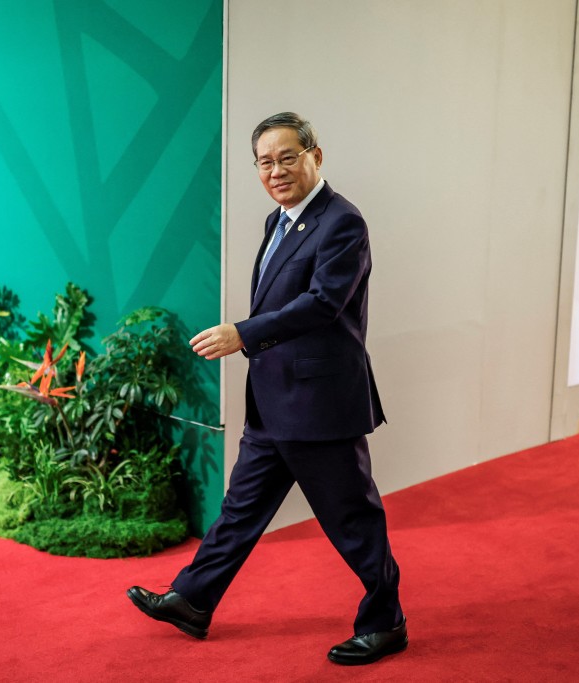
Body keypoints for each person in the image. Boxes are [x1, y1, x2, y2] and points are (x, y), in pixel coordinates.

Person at [127, 112, 406, 666]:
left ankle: (385, 624)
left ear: (315, 157)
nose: (275, 171)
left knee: (352, 517)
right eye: (264, 162)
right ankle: (192, 599)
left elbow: (324, 304)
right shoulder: (277, 221)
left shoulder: (342, 222)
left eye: (287, 158)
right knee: (239, 509)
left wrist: (242, 334)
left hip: (320, 404)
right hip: (275, 400)